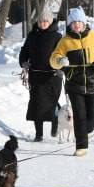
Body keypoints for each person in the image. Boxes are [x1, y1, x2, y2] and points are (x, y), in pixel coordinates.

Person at [49, 7, 94, 156]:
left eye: (79, 22)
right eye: (73, 22)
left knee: (92, 115)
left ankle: (87, 131)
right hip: (74, 82)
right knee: (79, 115)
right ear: (70, 24)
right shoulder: (65, 41)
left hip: (92, 81)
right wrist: (60, 60)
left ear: (84, 23)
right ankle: (81, 146)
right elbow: (52, 60)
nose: (77, 25)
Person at [18, 10, 63, 141]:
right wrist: (24, 62)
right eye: (40, 21)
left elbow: (62, 54)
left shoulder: (57, 37)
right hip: (36, 75)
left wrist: (62, 68)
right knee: (37, 104)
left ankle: (55, 121)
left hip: (53, 76)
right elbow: (24, 51)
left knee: (52, 102)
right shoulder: (32, 35)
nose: (43, 24)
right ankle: (39, 134)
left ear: (50, 22)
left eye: (45, 21)